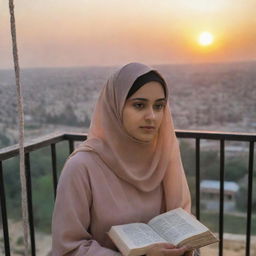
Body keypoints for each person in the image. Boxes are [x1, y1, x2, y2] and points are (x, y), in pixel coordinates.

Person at [52, 62, 195, 256]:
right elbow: (68, 247)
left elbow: (181, 218)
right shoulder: (82, 167)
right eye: (139, 105)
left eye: (159, 106)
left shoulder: (163, 158)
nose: (152, 116)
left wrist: (185, 246)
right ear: (115, 107)